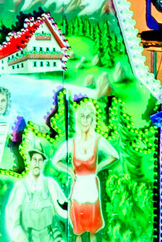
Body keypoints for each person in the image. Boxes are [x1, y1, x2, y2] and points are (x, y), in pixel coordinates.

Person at [51, 100, 126, 235]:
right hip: (78, 190)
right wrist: (69, 170)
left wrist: (98, 167)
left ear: (92, 119)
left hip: (92, 189)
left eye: (88, 117)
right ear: (78, 120)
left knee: (93, 232)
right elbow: (56, 160)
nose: (85, 121)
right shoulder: (72, 142)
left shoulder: (98, 140)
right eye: (82, 117)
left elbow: (114, 155)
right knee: (78, 232)